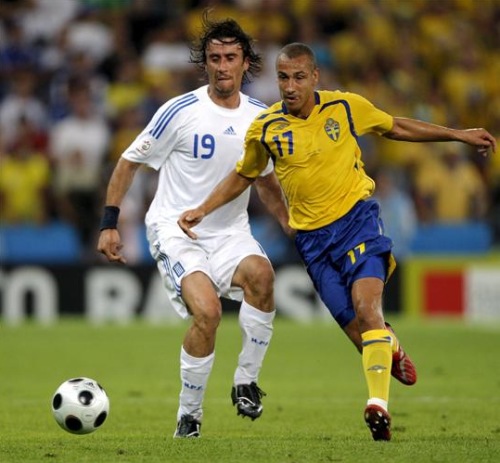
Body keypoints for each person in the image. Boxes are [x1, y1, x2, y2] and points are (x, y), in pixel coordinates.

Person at [178, 42, 497, 441]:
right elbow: (246, 175)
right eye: (283, 78)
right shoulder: (266, 128)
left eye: (299, 77)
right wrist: (203, 209)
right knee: (361, 335)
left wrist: (458, 135)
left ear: (315, 77)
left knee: (367, 309)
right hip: (314, 245)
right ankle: (390, 347)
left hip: (357, 224)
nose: (290, 87)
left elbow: (395, 126)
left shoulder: (344, 107)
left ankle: (378, 407)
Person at [97, 15, 290, 438]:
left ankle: (246, 381)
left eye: (230, 57)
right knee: (208, 312)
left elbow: (267, 183)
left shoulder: (262, 118)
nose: (222, 66)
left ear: (245, 62)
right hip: (176, 230)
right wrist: (109, 223)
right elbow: (128, 162)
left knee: (262, 277)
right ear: (205, 64)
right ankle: (190, 415)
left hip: (230, 232)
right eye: (214, 58)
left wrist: (291, 227)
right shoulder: (180, 110)